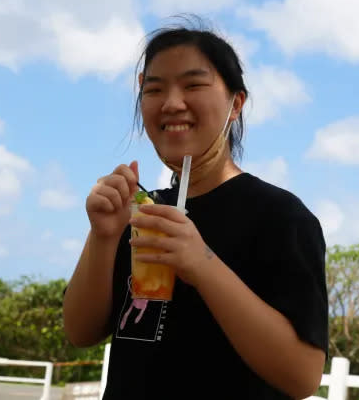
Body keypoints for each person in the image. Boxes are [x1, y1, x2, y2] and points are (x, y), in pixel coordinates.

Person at [63, 20, 328, 399]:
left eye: (193, 85)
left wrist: (201, 262)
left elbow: (302, 377)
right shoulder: (142, 210)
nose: (171, 103)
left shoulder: (280, 217)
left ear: (235, 104)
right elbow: (80, 331)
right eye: (154, 89)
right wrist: (103, 235)